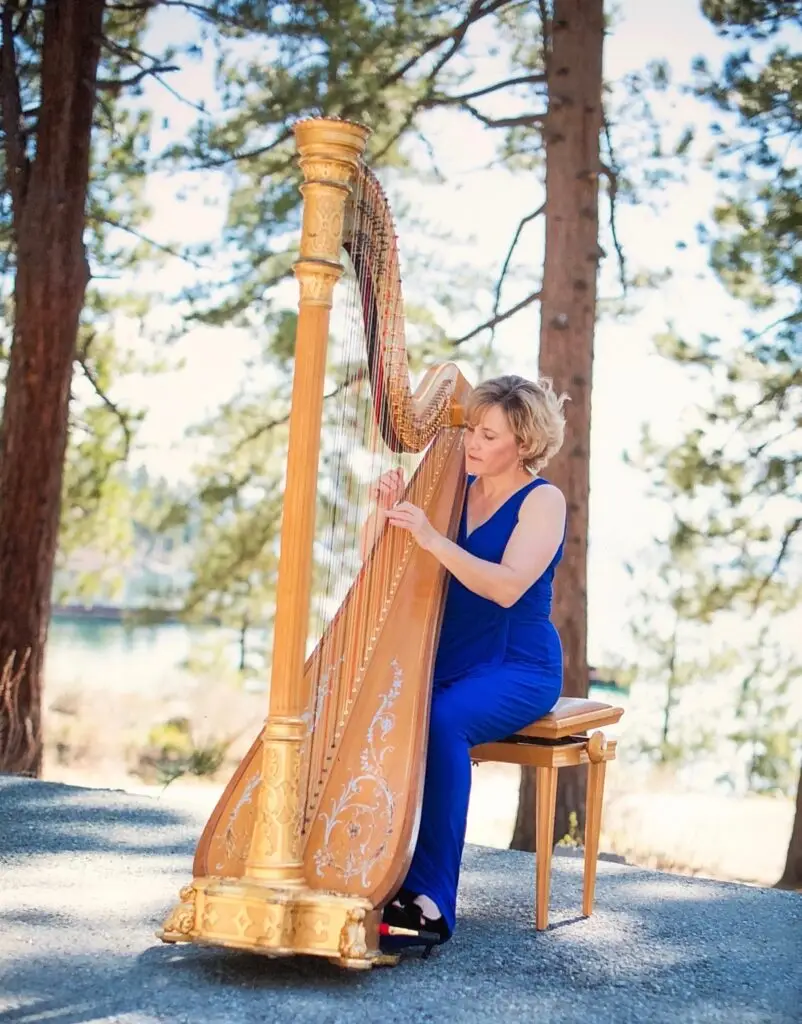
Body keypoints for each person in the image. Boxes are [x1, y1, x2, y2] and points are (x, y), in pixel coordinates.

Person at [361, 374, 569, 952]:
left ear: (522, 444)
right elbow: (374, 565)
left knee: (443, 719)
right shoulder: (452, 487)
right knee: (387, 707)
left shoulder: (542, 501)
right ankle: (371, 867)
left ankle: (429, 901)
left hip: (517, 665)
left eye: (487, 434)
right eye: (471, 430)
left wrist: (429, 536)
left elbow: (505, 587)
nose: (470, 443)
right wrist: (385, 513)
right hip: (449, 654)